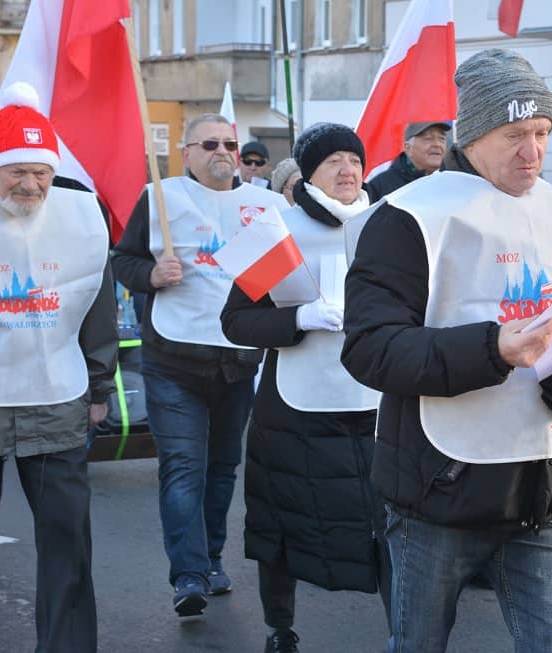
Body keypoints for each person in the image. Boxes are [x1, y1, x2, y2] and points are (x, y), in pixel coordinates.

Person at [341, 48, 552, 653]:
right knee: (418, 643)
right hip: (438, 487)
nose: (533, 152)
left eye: (542, 132)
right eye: (514, 134)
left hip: (541, 481)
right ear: (471, 137)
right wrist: (492, 349)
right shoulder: (409, 215)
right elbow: (369, 349)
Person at [111, 113, 288, 617]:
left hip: (237, 361)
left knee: (223, 468)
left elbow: (284, 277)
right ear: (186, 153)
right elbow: (122, 260)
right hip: (174, 358)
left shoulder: (268, 205)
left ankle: (211, 560)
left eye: (230, 144)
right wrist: (151, 274)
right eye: (209, 144)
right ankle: (187, 575)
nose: (223, 152)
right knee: (183, 467)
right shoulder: (160, 197)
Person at [220, 123, 388, 653]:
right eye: (333, 161)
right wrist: (299, 318)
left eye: (354, 160)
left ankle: (406, 632)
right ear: (309, 173)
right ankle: (279, 628)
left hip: (378, 403)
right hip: (294, 407)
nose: (347, 170)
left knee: (393, 528)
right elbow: (235, 321)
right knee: (282, 525)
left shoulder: (391, 229)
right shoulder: (279, 231)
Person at [0, 82, 117, 652]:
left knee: (66, 540)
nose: (30, 184)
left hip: (56, 395)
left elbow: (97, 307)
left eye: (41, 172)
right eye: (16, 172)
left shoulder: (80, 216)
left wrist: (100, 385)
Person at [366, 121, 450, 202]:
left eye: (442, 139)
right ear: (408, 148)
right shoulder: (380, 186)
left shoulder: (451, 182)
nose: (437, 144)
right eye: (428, 139)